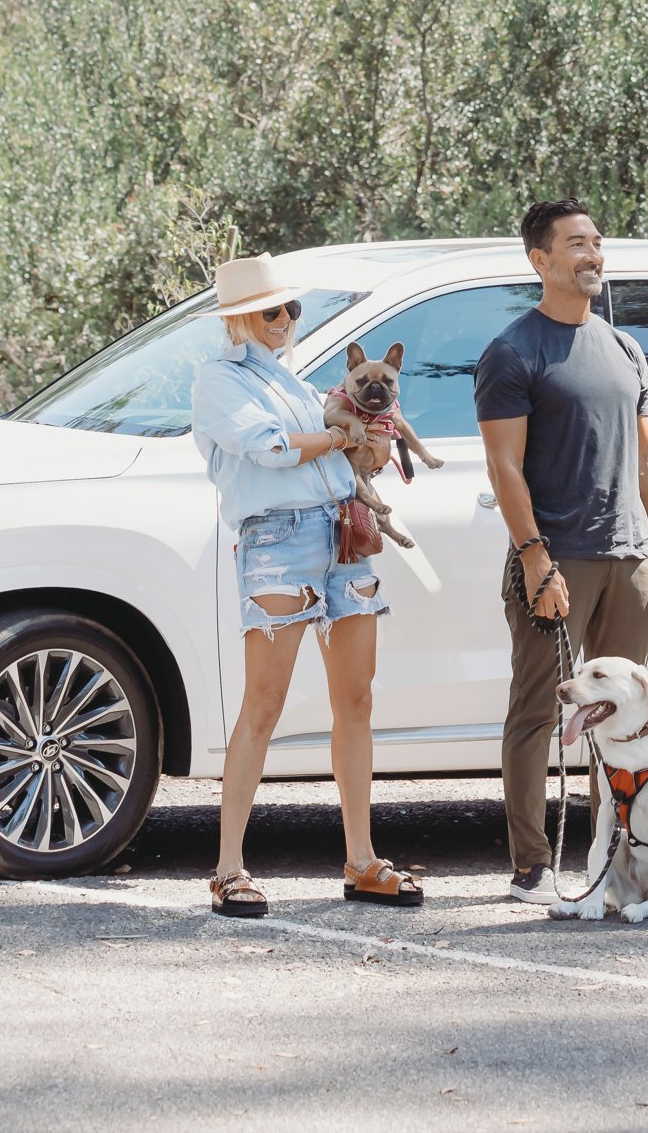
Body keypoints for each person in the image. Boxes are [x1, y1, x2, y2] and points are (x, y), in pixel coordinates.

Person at [191, 251, 422, 918]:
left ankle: (360, 860)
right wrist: (341, 434)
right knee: (262, 703)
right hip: (278, 541)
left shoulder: (295, 381)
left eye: (291, 309)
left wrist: (361, 446)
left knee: (356, 700)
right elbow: (270, 447)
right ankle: (228, 869)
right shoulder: (220, 379)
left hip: (342, 531)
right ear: (238, 318)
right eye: (272, 311)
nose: (286, 319)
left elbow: (327, 443)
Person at [474, 198, 648, 903]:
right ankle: (531, 867)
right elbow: (504, 466)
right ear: (541, 260)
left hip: (629, 557)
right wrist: (535, 558)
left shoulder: (625, 349)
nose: (593, 255)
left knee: (624, 714)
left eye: (597, 242)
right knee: (538, 710)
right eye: (576, 245)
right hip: (555, 560)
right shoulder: (512, 352)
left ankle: (615, 861)